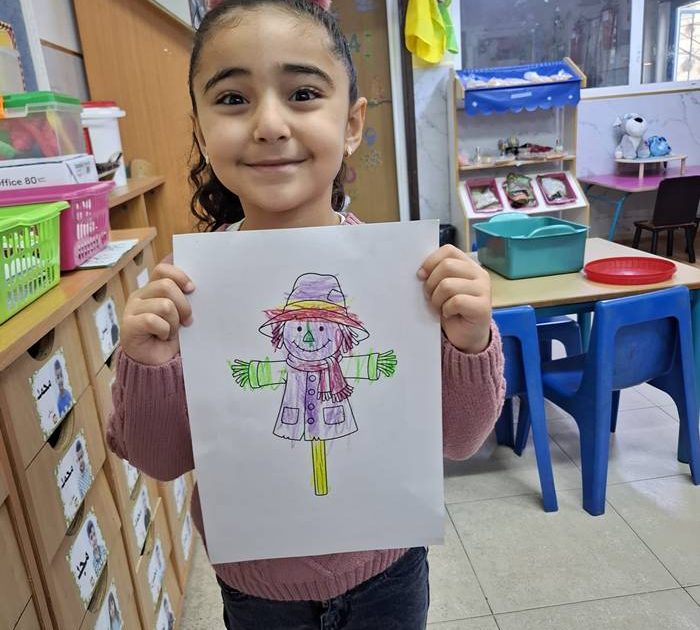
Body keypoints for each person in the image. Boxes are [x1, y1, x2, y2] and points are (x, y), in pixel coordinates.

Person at [107, 1, 505, 628]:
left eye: (302, 93)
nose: (269, 124)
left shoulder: (408, 283)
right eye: (232, 99)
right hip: (256, 587)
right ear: (202, 131)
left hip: (388, 569)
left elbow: (461, 440)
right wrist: (147, 362)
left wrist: (470, 341)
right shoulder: (186, 293)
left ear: (351, 124)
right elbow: (160, 460)